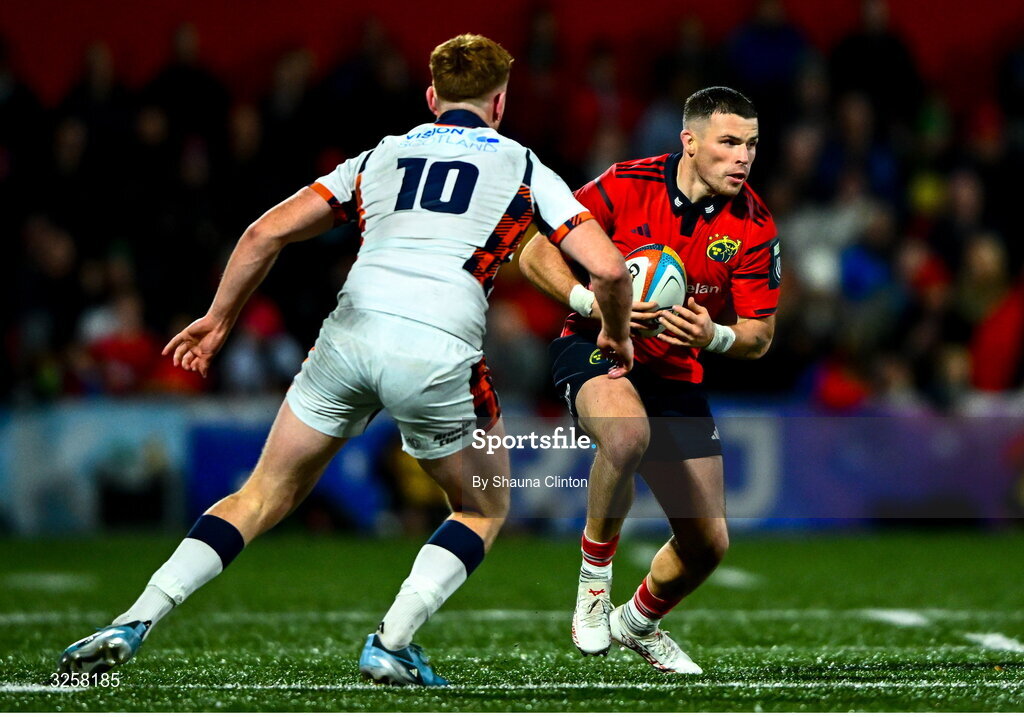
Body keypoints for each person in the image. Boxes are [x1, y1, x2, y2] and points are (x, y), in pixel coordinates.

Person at [59, 34, 633, 687]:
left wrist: (219, 319)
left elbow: (263, 232)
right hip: (437, 348)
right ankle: (392, 641)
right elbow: (611, 268)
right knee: (482, 507)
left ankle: (134, 617)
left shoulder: (381, 156)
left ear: (430, 97)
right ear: (500, 102)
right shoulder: (523, 165)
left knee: (261, 493)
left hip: (350, 334)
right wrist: (614, 332)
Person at [519, 86, 780, 674]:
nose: (744, 157)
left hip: (676, 372)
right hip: (596, 344)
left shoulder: (755, 224)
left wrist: (712, 336)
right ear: (689, 142)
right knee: (626, 435)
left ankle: (635, 623)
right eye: (730, 143)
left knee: (708, 546)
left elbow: (760, 335)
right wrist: (591, 302)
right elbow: (536, 253)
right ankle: (593, 585)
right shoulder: (624, 183)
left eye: (752, 145)